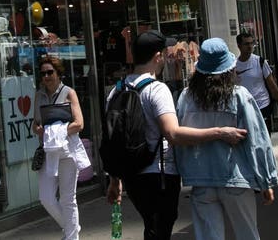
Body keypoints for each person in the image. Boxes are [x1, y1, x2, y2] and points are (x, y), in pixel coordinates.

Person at [105, 30, 247, 240]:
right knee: (159, 230)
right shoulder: (157, 89)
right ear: (157, 57)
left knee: (152, 228)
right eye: (163, 53)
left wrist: (114, 179)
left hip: (131, 175)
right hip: (160, 174)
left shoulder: (116, 91)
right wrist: (219, 132)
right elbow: (173, 134)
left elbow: (114, 139)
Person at [176, 38, 278, 240]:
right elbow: (257, 140)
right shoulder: (239, 95)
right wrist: (266, 180)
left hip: (201, 179)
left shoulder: (186, 97)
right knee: (247, 234)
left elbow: (179, 136)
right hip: (235, 177)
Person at [32, 55, 90, 240]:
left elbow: (79, 124)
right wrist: (41, 130)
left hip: (67, 152)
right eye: (43, 73)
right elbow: (35, 124)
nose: (46, 76)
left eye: (50, 72)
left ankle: (71, 237)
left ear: (58, 73)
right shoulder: (39, 95)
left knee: (67, 199)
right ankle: (71, 228)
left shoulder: (68, 93)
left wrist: (57, 131)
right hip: (48, 152)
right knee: (46, 198)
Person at [234, 33, 278, 132]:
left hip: (262, 105)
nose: (250, 46)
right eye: (246, 44)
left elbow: (272, 85)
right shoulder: (234, 65)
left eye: (251, 43)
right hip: (245, 108)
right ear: (239, 46)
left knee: (264, 137)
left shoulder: (260, 61)